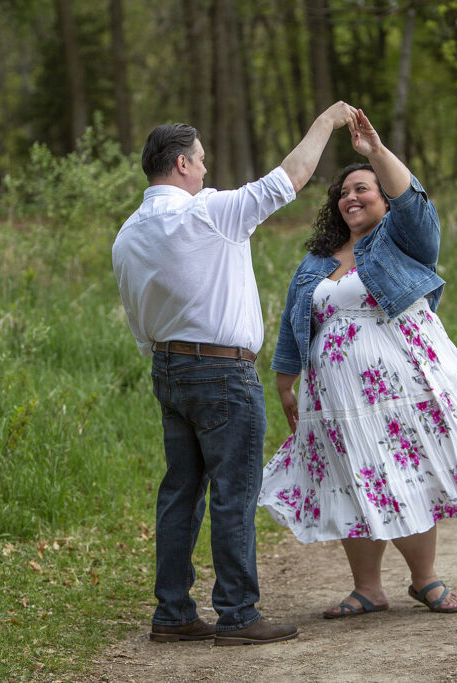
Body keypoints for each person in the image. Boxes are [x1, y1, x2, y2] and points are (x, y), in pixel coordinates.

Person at [258, 109, 457, 618]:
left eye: (363, 189)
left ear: (382, 196)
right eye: (343, 193)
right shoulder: (316, 261)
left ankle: (425, 580)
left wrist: (373, 151)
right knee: (354, 477)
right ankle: (368, 589)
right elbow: (293, 322)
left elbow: (413, 201)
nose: (351, 197)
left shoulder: (403, 239)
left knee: (405, 470)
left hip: (400, 387)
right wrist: (287, 385)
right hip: (334, 396)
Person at [112, 101, 358, 645]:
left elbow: (134, 311)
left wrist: (163, 352)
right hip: (222, 374)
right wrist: (326, 121)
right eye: (200, 161)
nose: (206, 170)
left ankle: (173, 613)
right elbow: (289, 179)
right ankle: (238, 614)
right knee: (233, 491)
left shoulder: (127, 233)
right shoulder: (209, 212)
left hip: (167, 368)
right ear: (180, 165)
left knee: (180, 491)